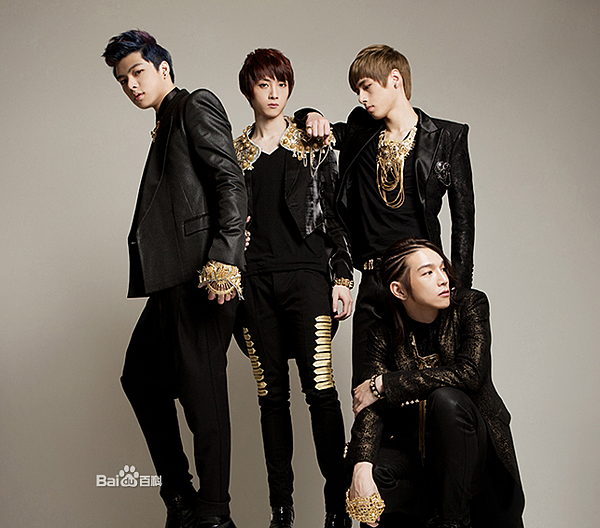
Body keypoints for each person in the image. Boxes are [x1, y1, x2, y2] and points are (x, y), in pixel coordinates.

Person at [102, 30, 246, 528]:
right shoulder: (164, 122)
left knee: (204, 398)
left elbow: (230, 180)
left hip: (202, 277)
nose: (131, 85)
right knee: (140, 378)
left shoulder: (193, 105)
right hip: (171, 281)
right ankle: (181, 497)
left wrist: (224, 258)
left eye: (138, 72)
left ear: (163, 68)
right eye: (123, 80)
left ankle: (214, 514)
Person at [298, 44, 476, 388]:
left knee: (423, 389)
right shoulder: (360, 131)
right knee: (365, 390)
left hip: (421, 280)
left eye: (367, 87)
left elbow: (463, 221)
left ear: (395, 79)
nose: (361, 98)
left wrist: (459, 294)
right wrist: (311, 115)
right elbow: (311, 128)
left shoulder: (447, 138)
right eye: (357, 90)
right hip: (373, 280)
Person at [232, 48, 353, 528]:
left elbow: (335, 214)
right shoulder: (233, 154)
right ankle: (280, 510)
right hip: (254, 283)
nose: (274, 93)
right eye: (264, 84)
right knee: (271, 399)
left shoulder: (312, 143)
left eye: (281, 84)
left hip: (306, 277)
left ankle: (338, 506)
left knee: (321, 392)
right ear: (249, 90)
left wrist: (342, 277)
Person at [345, 238, 525, 528]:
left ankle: (453, 521)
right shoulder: (382, 333)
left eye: (442, 268)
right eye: (428, 273)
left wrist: (386, 384)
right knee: (367, 471)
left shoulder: (470, 306)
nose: (443, 279)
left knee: (446, 400)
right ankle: (433, 513)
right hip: (420, 459)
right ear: (399, 290)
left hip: (476, 458)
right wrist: (361, 468)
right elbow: (370, 407)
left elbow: (470, 373)